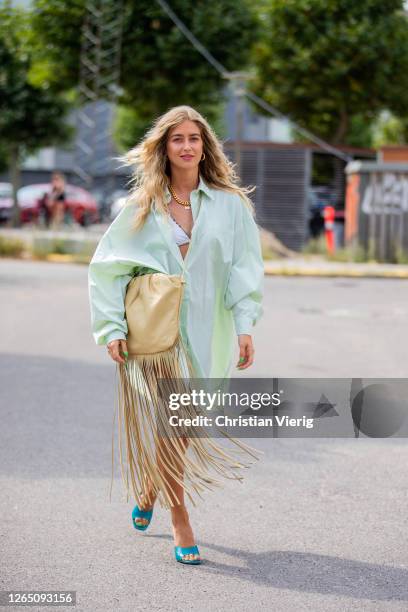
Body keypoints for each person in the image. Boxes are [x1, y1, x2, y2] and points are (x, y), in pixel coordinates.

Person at [88, 105, 264, 565]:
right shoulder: (140, 208)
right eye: (177, 139)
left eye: (194, 138)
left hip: (209, 330)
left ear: (205, 146)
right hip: (159, 337)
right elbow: (106, 269)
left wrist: (245, 326)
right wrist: (110, 327)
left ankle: (149, 487)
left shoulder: (231, 205)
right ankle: (180, 517)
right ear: (163, 148)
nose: (187, 146)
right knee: (174, 423)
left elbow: (245, 269)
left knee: (183, 428)